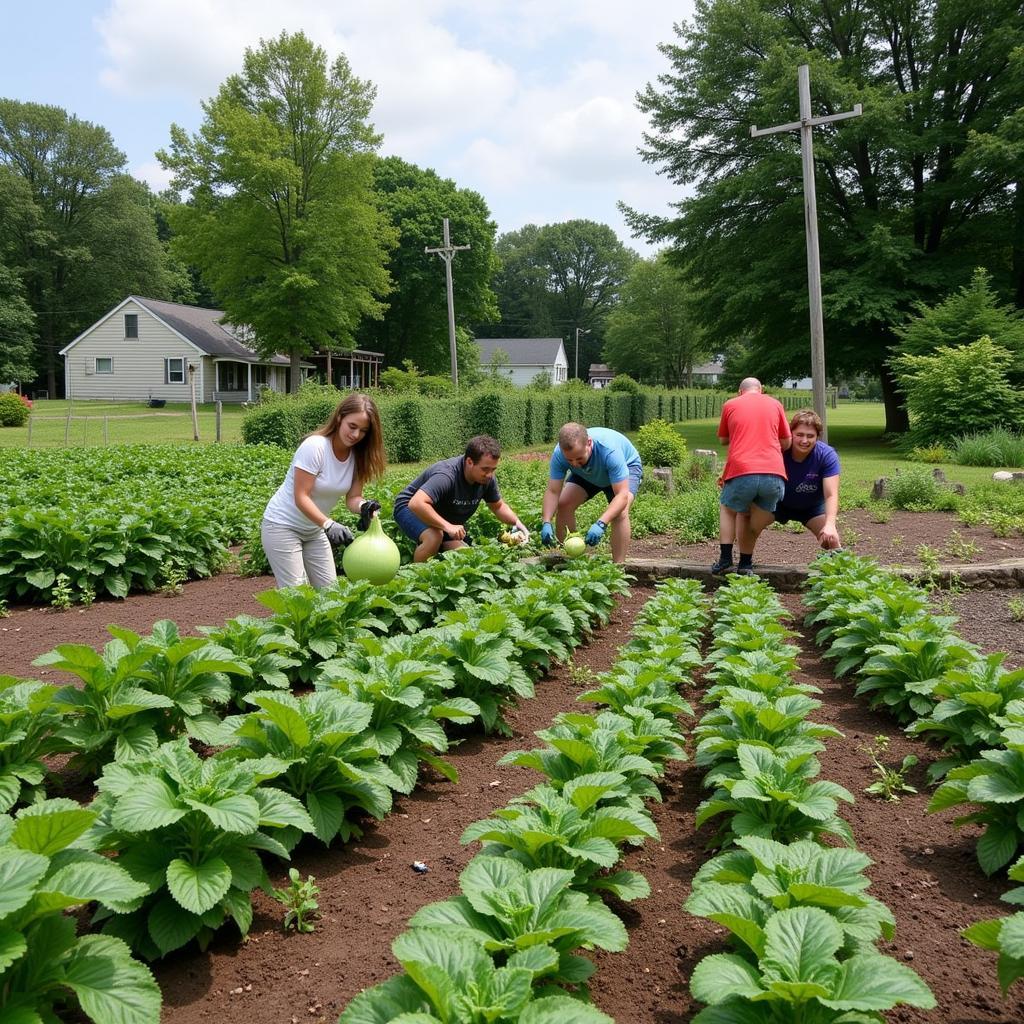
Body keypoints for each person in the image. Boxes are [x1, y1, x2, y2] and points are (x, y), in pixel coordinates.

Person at [260, 393, 386, 589]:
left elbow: (353, 497)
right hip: (282, 526)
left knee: (331, 594)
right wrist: (328, 524)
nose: (355, 435)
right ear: (339, 418)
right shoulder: (315, 446)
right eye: (352, 426)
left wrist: (364, 506)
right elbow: (301, 497)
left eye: (363, 431)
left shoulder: (358, 456)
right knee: (296, 595)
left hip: (313, 530)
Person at [393, 435, 530, 562]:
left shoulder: (487, 479)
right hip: (409, 507)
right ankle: (418, 579)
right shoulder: (446, 475)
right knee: (434, 537)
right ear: (469, 462)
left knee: (466, 554)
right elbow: (416, 503)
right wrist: (448, 527)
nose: (489, 475)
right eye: (485, 469)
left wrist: (518, 524)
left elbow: (498, 506)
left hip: (441, 516)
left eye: (493, 469)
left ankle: (436, 550)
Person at [713, 377, 791, 575]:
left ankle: (725, 559)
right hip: (774, 474)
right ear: (761, 389)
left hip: (742, 470)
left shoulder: (730, 404)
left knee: (728, 509)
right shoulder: (775, 404)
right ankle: (745, 565)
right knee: (746, 515)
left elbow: (723, 439)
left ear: (740, 392)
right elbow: (787, 441)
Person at [737, 408, 841, 554]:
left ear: (818, 437)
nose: (804, 440)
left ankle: (841, 573)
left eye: (810, 436)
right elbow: (751, 462)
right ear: (790, 434)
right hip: (776, 503)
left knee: (831, 539)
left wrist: (830, 525)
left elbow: (831, 494)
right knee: (749, 520)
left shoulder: (827, 455)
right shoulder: (778, 450)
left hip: (812, 507)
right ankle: (744, 564)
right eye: (799, 435)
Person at [540, 423, 643, 563]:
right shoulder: (559, 454)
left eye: (579, 458)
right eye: (569, 460)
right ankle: (568, 559)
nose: (574, 464)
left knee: (620, 512)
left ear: (589, 443)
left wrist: (601, 524)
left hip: (627, 468)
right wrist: (546, 521)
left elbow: (622, 496)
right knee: (564, 503)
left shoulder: (609, 450)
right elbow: (553, 491)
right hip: (587, 474)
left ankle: (618, 568)